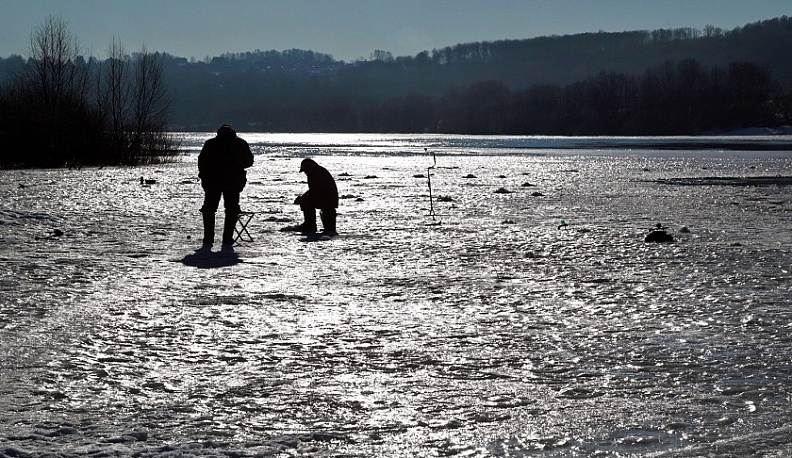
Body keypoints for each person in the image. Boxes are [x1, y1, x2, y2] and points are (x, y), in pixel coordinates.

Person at [198, 124, 254, 246]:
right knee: (231, 209)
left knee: (209, 209)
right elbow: (249, 161)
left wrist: (204, 175)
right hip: (233, 181)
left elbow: (202, 162)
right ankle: (227, 239)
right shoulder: (240, 144)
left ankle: (208, 238)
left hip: (213, 181)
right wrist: (237, 166)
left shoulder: (210, 144)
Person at [294, 158, 338, 234]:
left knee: (306, 200)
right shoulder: (317, 172)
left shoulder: (316, 174)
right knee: (305, 199)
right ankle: (311, 225)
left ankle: (310, 225)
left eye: (305, 170)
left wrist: (303, 197)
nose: (305, 173)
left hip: (327, 200)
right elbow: (314, 190)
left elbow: (317, 190)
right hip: (328, 199)